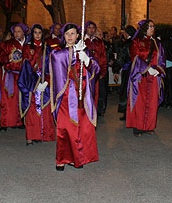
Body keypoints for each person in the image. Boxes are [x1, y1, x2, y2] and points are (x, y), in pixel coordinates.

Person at [49, 23, 99, 170]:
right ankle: (62, 159)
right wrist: (73, 52)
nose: (70, 37)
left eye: (73, 34)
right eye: (67, 34)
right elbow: (58, 60)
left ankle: (77, 158)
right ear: (63, 36)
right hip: (67, 94)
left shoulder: (84, 50)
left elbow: (96, 68)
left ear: (78, 36)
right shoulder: (58, 51)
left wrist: (87, 59)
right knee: (66, 127)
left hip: (83, 93)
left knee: (82, 126)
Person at [126, 20, 166, 136]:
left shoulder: (158, 44)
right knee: (140, 101)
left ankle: (148, 126)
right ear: (144, 28)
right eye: (150, 26)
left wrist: (158, 70)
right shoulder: (136, 42)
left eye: (153, 26)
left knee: (152, 101)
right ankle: (138, 126)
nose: (152, 29)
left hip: (153, 77)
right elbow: (135, 57)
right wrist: (147, 68)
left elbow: (162, 58)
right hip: (140, 75)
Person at [19, 23, 55, 144]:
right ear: (32, 34)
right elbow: (25, 67)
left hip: (44, 81)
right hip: (31, 82)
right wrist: (34, 83)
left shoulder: (47, 47)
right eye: (35, 32)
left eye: (40, 33)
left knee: (45, 107)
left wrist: (47, 81)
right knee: (32, 108)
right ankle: (31, 135)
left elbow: (51, 66)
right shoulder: (27, 48)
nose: (38, 35)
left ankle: (43, 134)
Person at [0, 23, 26, 131]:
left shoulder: (28, 44)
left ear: (23, 32)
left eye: (19, 31)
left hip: (23, 76)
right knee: (8, 100)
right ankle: (5, 122)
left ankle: (19, 121)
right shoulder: (7, 44)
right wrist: (8, 58)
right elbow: (1, 58)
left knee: (21, 99)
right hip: (11, 75)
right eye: (15, 31)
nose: (16, 33)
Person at [84, 21, 107, 116]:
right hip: (85, 73)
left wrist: (102, 71)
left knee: (96, 93)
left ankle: (94, 113)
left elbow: (103, 57)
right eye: (90, 27)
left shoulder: (99, 42)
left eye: (94, 28)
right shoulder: (82, 41)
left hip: (96, 73)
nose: (92, 29)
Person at [116, 26, 135, 119]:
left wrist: (116, 69)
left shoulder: (126, 44)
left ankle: (126, 112)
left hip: (127, 70)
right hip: (135, 70)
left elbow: (121, 57)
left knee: (125, 91)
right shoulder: (136, 42)